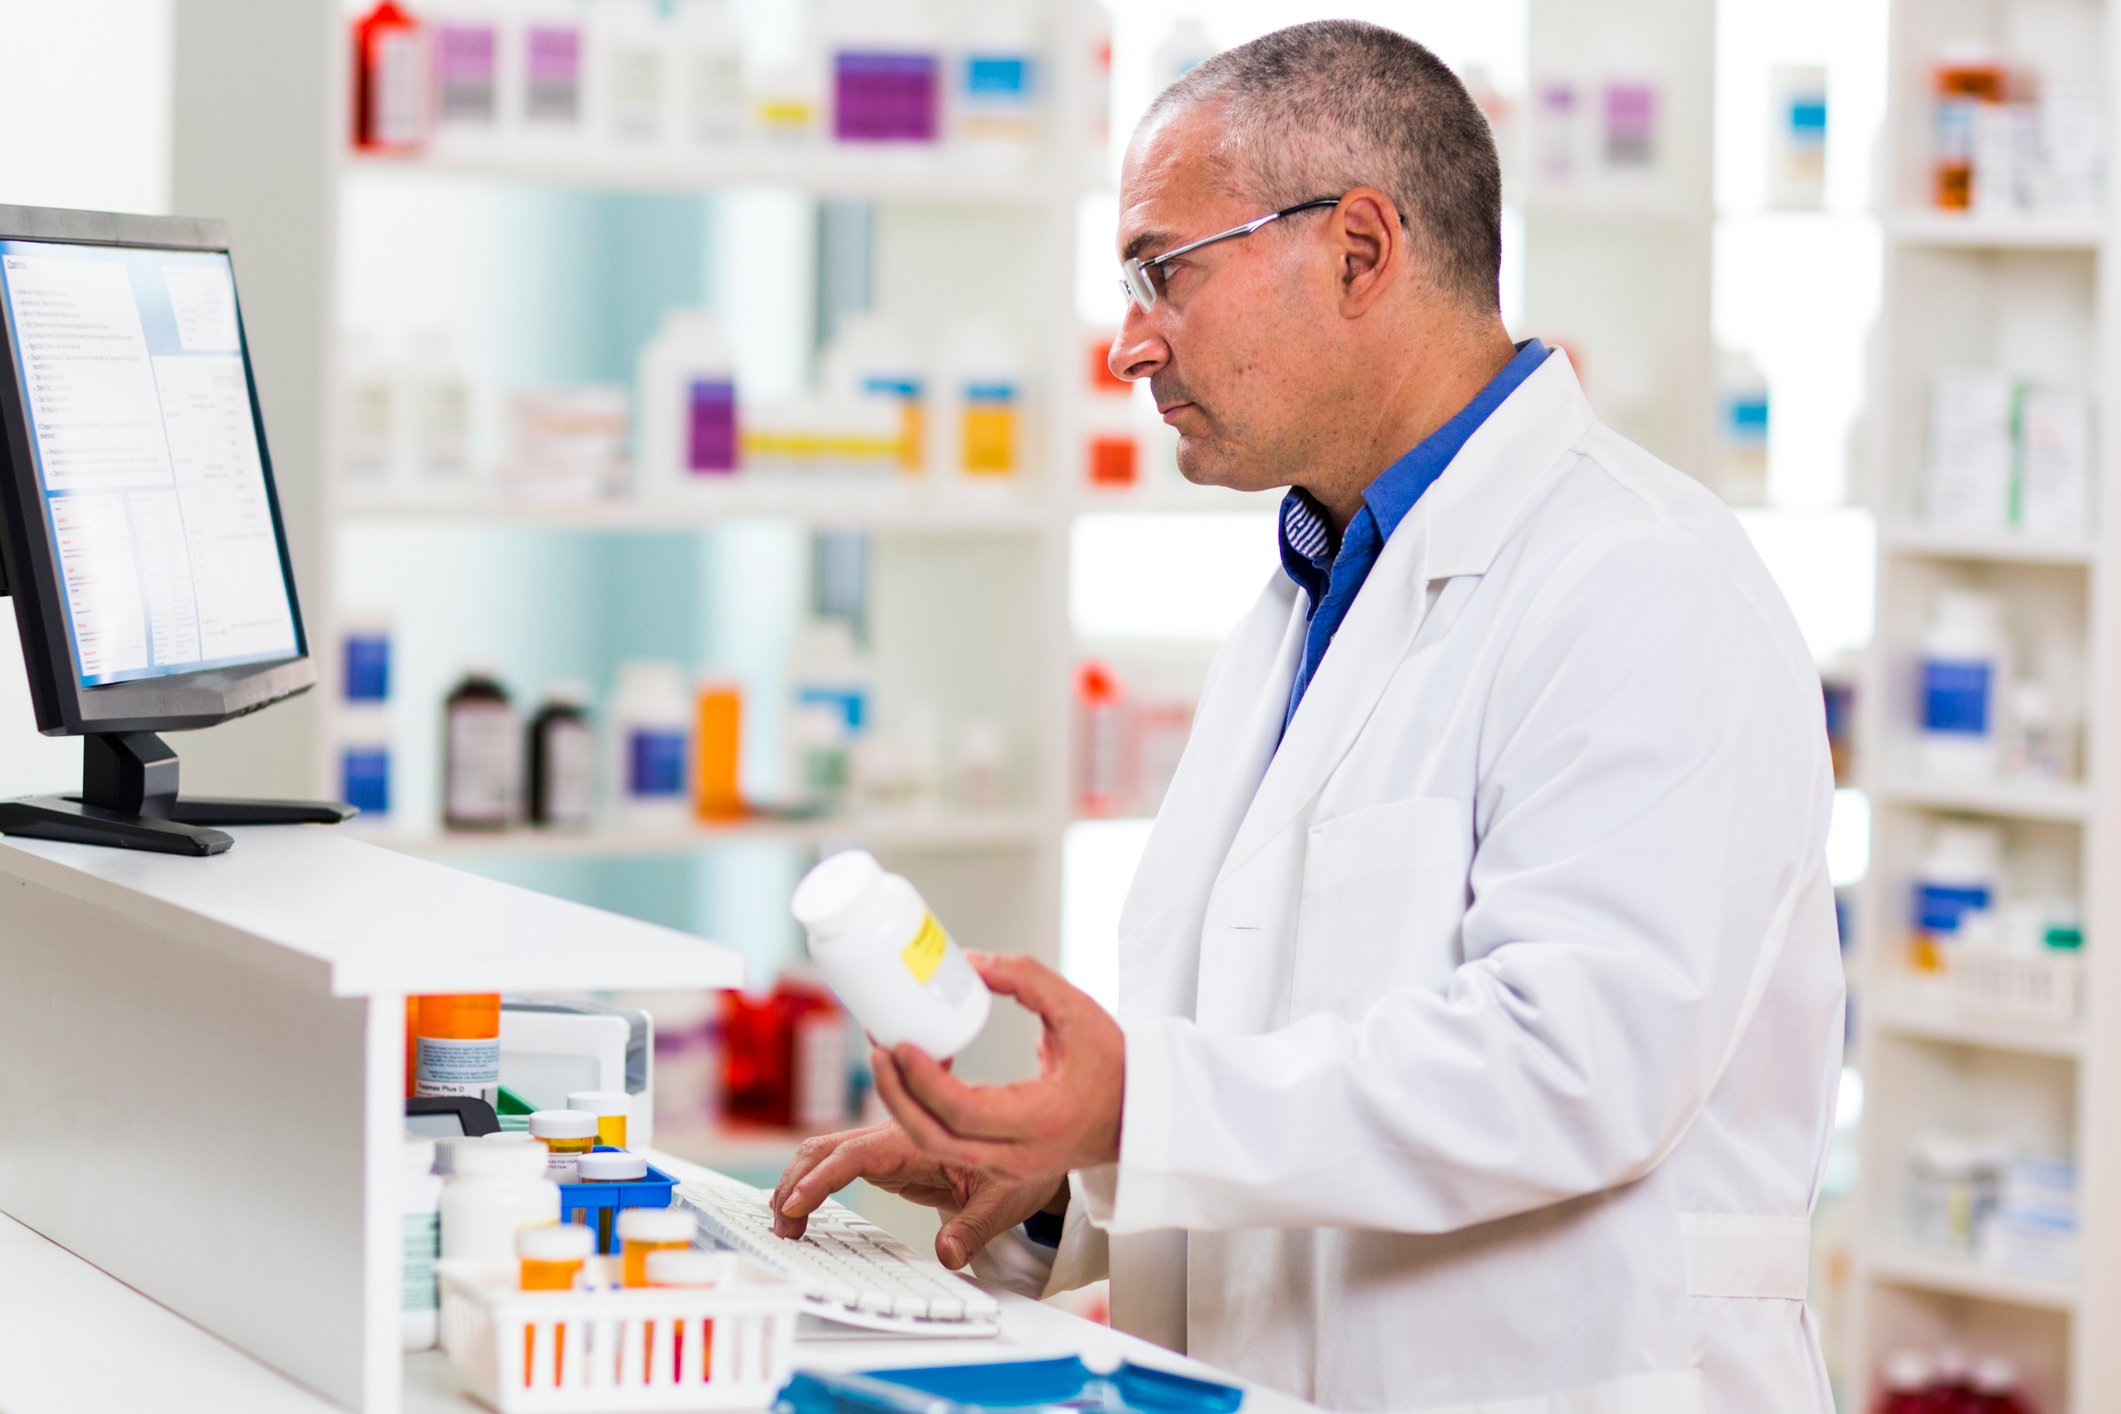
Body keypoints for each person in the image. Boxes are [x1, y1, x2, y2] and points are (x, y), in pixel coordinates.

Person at [773, 20, 1843, 1414]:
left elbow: (1574, 1063)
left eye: (1164, 270)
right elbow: (1280, 1072)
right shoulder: (1309, 596)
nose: (1127, 342)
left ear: (1356, 249)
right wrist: (1062, 1173)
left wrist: (1141, 1108)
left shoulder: (1642, 583)